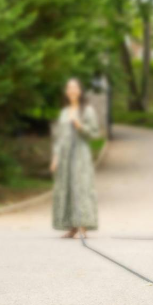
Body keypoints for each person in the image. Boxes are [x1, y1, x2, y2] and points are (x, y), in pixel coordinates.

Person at [50, 78, 100, 238]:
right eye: (69, 88)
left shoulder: (87, 111)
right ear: (66, 92)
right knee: (66, 188)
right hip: (65, 157)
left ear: (80, 91)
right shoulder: (64, 112)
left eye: (74, 87)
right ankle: (72, 226)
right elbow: (59, 137)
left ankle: (83, 226)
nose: (71, 90)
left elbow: (94, 133)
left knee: (81, 187)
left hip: (80, 155)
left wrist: (81, 127)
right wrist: (55, 158)